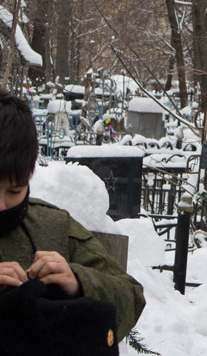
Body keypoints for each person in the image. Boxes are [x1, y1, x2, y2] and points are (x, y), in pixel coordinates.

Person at [0, 89, 145, 351]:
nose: (1, 206)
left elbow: (131, 298)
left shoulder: (51, 225)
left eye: (14, 191)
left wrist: (79, 282)